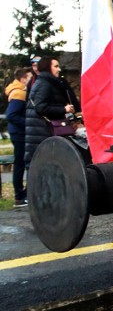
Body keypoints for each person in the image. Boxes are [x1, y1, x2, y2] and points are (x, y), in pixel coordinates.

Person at [24, 57, 81, 166]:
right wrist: (64, 109)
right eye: (55, 66)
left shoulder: (47, 82)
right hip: (42, 131)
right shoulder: (44, 84)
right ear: (47, 68)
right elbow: (41, 108)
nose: (59, 69)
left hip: (41, 131)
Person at [5, 67, 32, 207]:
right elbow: (11, 115)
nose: (30, 80)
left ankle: (21, 194)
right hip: (19, 133)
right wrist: (27, 124)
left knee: (21, 162)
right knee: (20, 163)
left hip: (19, 132)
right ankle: (19, 196)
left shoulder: (19, 92)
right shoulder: (18, 93)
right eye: (28, 77)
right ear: (22, 79)